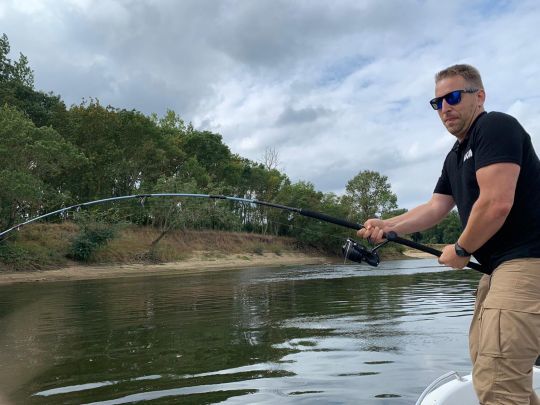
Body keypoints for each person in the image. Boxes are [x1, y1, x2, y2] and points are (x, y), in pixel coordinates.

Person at [358, 64, 540, 405]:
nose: (445, 108)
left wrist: (461, 248)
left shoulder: (495, 127)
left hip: (527, 262)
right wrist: (387, 226)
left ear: (479, 96)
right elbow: (434, 208)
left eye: (453, 97)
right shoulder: (455, 156)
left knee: (498, 383)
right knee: (489, 368)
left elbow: (496, 202)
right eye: (437, 102)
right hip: (498, 269)